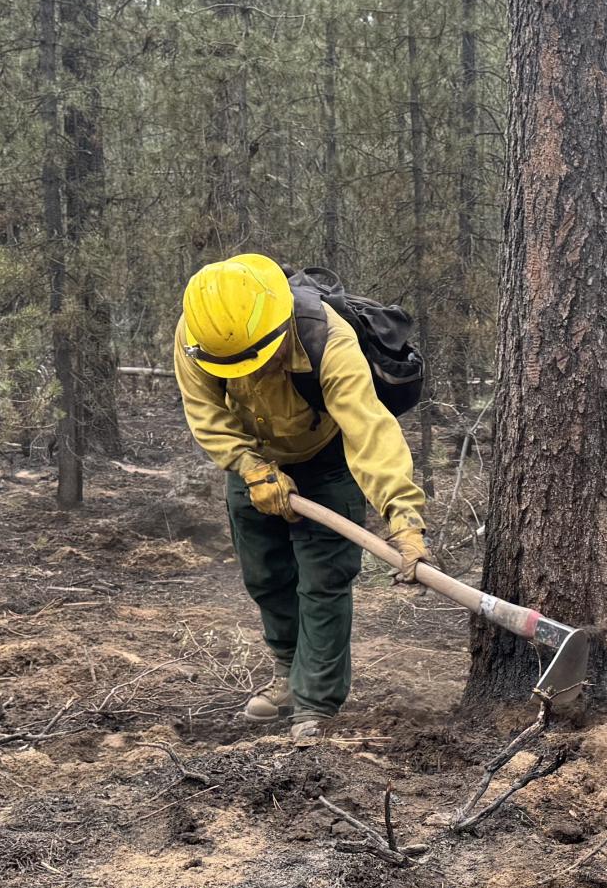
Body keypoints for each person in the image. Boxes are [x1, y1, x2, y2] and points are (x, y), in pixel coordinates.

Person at [175, 254, 428, 742]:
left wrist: (403, 516)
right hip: (252, 461)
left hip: (327, 459)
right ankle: (287, 675)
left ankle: (315, 700)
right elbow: (204, 410)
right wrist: (250, 467)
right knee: (265, 575)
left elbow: (369, 428)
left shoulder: (327, 339)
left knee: (323, 580)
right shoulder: (198, 333)